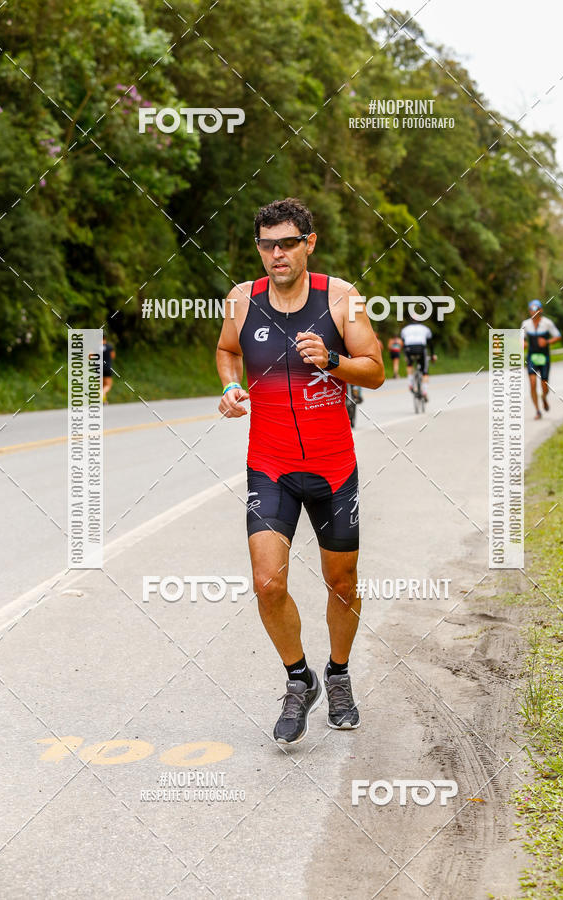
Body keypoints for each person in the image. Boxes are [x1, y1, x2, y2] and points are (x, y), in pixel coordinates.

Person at [216, 198, 384, 744]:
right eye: (267, 245)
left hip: (333, 467)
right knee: (267, 583)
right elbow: (226, 351)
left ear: (309, 243)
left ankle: (338, 675)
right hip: (270, 465)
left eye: (287, 243)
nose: (277, 254)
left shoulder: (342, 299)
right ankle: (299, 679)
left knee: (342, 582)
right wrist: (230, 386)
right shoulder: (241, 300)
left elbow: (375, 371)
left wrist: (333, 361)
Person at [522, 299, 561, 420]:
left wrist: (547, 341)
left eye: (536, 309)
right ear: (529, 311)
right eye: (531, 309)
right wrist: (523, 343)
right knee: (532, 383)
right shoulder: (525, 323)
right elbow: (521, 338)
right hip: (532, 357)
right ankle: (538, 410)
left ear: (541, 310)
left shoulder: (547, 323)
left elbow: (558, 336)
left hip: (544, 358)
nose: (534, 311)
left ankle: (544, 397)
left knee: (544, 386)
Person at [400, 318, 436, 401]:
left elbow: (403, 343)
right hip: (421, 348)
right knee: (425, 371)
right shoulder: (425, 328)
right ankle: (425, 392)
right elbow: (430, 344)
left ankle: (410, 384)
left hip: (409, 349)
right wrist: (433, 355)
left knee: (409, 364)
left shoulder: (405, 329)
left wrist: (405, 355)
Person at [101, 334, 115, 404]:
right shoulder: (109, 346)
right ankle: (103, 393)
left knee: (101, 385)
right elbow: (113, 356)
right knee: (108, 385)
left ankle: (104, 401)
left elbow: (90, 356)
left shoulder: (95, 346)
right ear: (105, 338)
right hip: (107, 367)